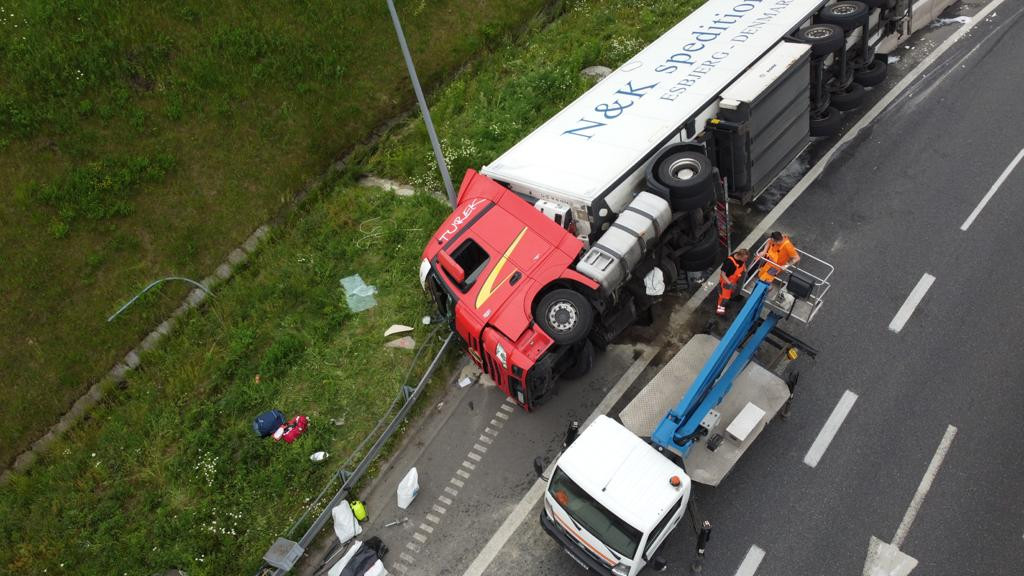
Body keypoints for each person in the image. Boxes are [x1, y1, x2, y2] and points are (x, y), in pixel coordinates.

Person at [717, 248, 749, 316]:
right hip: (726, 283)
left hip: (734, 281)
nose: (746, 260)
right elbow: (723, 274)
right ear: (740, 256)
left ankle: (729, 298)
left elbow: (743, 264)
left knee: (731, 294)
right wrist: (729, 283)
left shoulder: (740, 259)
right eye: (745, 258)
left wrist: (745, 270)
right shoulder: (729, 262)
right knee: (725, 298)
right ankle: (720, 309)